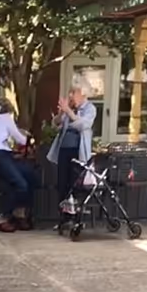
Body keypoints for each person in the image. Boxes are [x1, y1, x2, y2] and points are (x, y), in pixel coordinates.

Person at [0, 99, 37, 232]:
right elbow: (20, 138)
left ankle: (20, 212)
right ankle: (4, 217)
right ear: (10, 110)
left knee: (28, 174)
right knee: (21, 184)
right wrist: (30, 141)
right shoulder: (6, 118)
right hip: (1, 156)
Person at [47, 77, 97, 216]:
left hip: (78, 152)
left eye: (73, 92)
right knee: (62, 184)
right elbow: (55, 125)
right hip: (64, 151)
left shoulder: (90, 108)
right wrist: (61, 113)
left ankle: (75, 217)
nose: (70, 95)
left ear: (83, 93)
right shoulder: (70, 110)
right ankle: (63, 218)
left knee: (74, 184)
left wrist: (69, 111)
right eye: (70, 92)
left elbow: (83, 125)